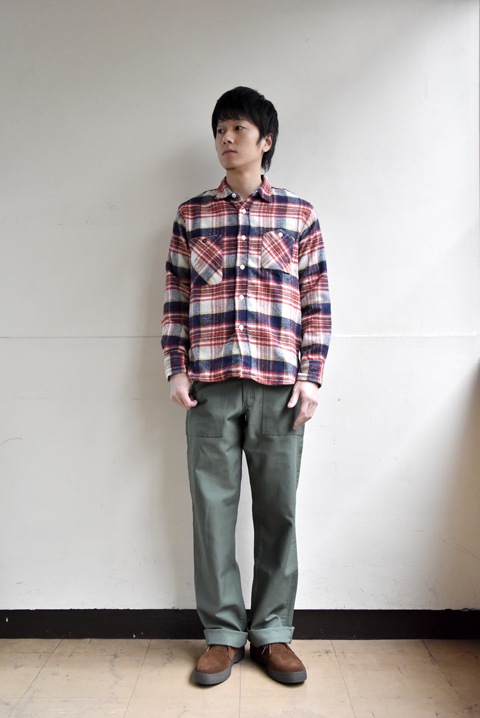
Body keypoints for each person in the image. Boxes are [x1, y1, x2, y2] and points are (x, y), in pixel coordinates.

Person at [161, 86, 331, 686]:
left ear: (266, 140)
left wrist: (312, 377)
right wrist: (176, 366)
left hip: (279, 389)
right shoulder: (191, 215)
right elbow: (175, 298)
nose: (226, 139)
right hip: (209, 387)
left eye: (237, 128)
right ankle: (223, 635)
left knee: (278, 512)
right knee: (212, 513)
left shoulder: (298, 214)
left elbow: (317, 302)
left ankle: (274, 631)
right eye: (219, 130)